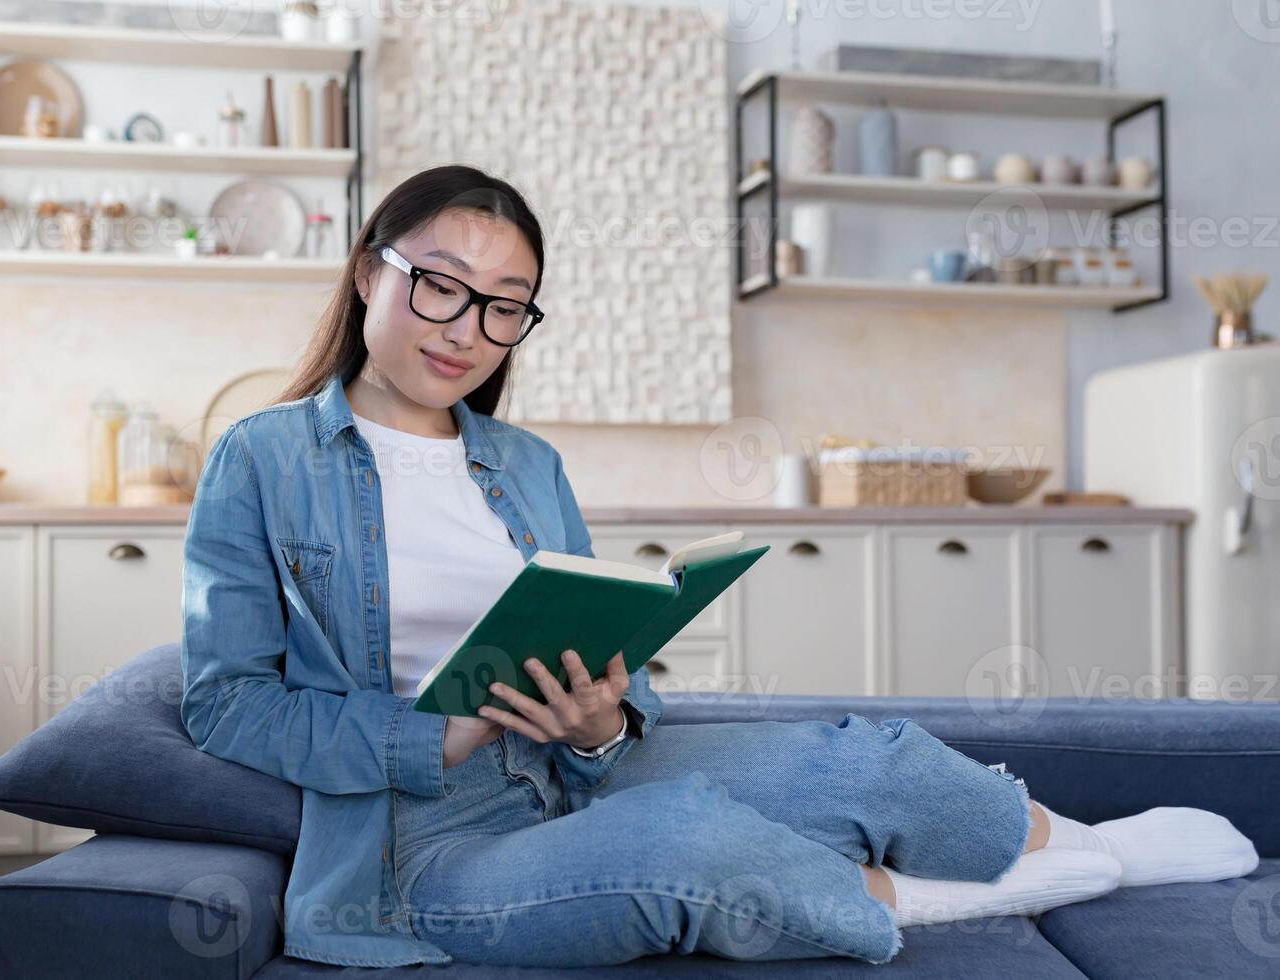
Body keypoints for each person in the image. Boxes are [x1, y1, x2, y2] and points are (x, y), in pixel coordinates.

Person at [180, 164, 1259, 969]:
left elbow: (599, 659)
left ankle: (1081, 840)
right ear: (370, 269)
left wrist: (601, 722)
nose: (467, 328)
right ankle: (937, 896)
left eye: (505, 305)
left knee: (862, 755)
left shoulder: (523, 462)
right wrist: (442, 731)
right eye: (441, 287)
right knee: (687, 837)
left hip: (569, 768)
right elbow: (226, 703)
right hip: (417, 848)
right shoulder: (261, 457)